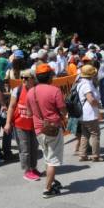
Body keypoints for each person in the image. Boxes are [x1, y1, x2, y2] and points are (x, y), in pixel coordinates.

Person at [26, 64, 67, 198]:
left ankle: (52, 180)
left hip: (38, 129)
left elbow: (29, 112)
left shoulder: (31, 91)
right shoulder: (55, 90)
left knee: (47, 156)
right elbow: (63, 110)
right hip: (53, 128)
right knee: (52, 160)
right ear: (49, 76)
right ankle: (47, 189)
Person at [4, 70, 40, 182]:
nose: (23, 80)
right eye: (22, 77)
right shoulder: (17, 90)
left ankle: (33, 168)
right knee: (24, 149)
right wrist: (8, 123)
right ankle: (27, 171)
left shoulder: (38, 90)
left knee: (34, 147)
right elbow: (11, 106)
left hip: (34, 124)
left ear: (33, 79)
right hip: (20, 124)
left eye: (26, 78)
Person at [77, 64, 103, 162]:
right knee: (95, 134)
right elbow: (91, 99)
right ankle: (95, 155)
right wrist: (98, 105)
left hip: (83, 114)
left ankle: (82, 154)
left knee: (85, 134)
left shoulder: (80, 83)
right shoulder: (87, 84)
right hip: (89, 114)